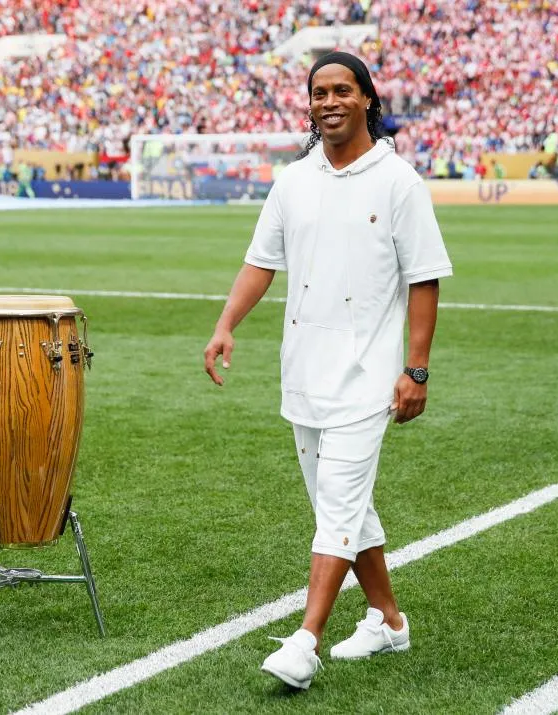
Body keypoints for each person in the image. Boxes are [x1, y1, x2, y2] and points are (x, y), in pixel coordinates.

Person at [203, 51, 452, 690]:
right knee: (342, 505)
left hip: (369, 378)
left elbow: (424, 279)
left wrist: (415, 370)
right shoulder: (293, 181)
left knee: (337, 508)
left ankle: (305, 642)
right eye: (319, 92)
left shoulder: (400, 181)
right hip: (303, 373)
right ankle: (388, 619)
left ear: (368, 98)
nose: (330, 101)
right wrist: (227, 324)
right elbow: (262, 261)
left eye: (343, 90)